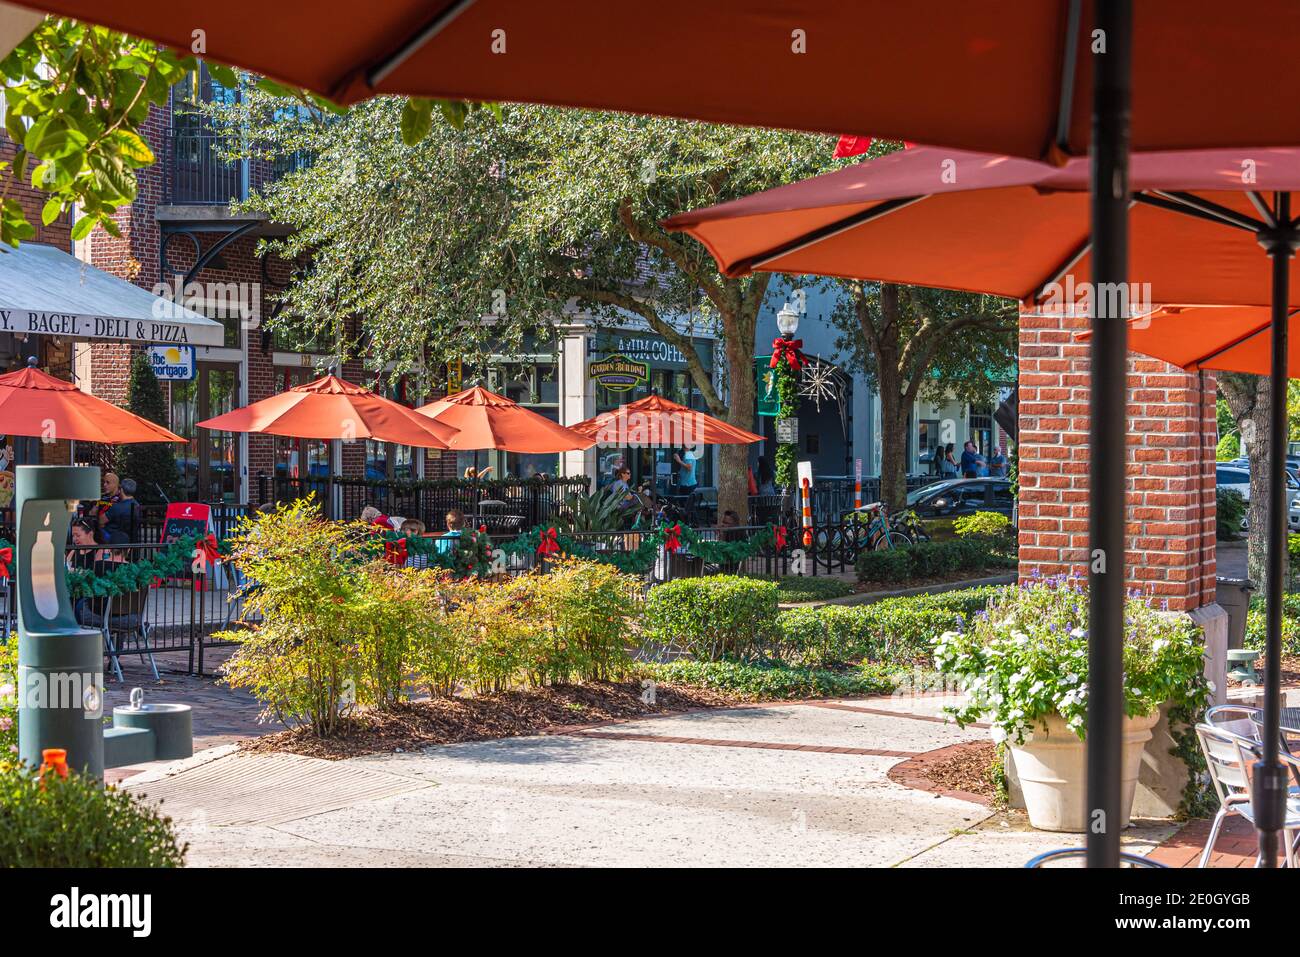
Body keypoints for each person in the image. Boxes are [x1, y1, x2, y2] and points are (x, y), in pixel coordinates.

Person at [99, 477, 141, 545]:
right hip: (131, 538)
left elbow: (100, 520)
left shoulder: (116, 507)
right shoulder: (137, 505)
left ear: (121, 490)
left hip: (113, 537)